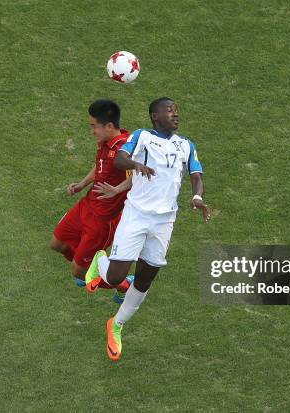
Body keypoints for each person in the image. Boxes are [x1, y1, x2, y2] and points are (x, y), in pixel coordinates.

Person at [85, 97, 211, 360]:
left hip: (165, 221)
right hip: (137, 215)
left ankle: (116, 325)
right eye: (170, 111)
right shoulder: (142, 137)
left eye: (176, 110)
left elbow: (196, 176)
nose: (176, 115)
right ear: (155, 116)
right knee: (115, 277)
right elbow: (119, 160)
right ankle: (101, 260)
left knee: (144, 280)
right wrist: (136, 165)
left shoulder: (186, 145)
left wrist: (197, 197)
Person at [49, 99, 132, 301]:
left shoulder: (126, 151)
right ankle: (89, 268)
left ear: (109, 126)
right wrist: (82, 184)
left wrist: (117, 190)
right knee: (56, 243)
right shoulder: (105, 142)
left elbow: (138, 180)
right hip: (86, 206)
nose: (92, 131)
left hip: (103, 221)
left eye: (94, 126)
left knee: (77, 272)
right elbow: (100, 167)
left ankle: (124, 286)